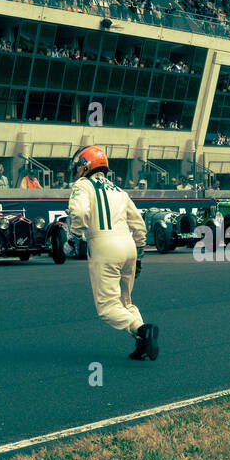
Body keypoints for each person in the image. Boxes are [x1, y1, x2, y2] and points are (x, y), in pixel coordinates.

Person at [67, 145, 158, 361]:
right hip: (128, 246)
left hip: (104, 246)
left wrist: (73, 237)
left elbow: (78, 212)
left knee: (108, 307)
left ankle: (142, 330)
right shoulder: (119, 190)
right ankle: (143, 343)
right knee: (126, 301)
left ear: (85, 165)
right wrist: (140, 253)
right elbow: (139, 224)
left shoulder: (82, 185)